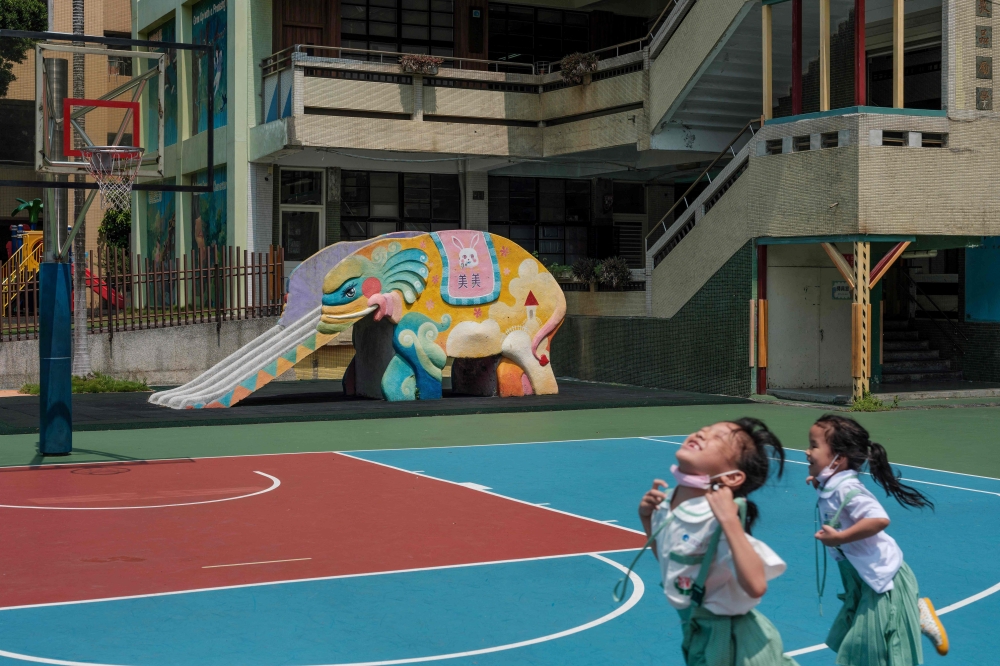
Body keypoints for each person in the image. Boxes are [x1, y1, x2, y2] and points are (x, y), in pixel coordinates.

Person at [637, 418, 798, 665]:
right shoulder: (667, 502)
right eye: (703, 429)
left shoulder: (717, 518)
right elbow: (672, 562)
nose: (702, 433)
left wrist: (730, 523)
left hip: (737, 645)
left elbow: (756, 585)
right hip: (697, 633)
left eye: (718, 437)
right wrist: (647, 518)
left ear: (732, 477)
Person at [806, 414, 949, 664]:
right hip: (861, 578)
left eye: (814, 446)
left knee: (871, 652)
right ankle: (916, 610)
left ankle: (914, 610)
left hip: (883, 579)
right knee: (863, 648)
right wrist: (820, 482)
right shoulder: (833, 483)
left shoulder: (848, 488)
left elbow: (879, 519)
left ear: (838, 459)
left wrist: (840, 536)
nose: (807, 451)